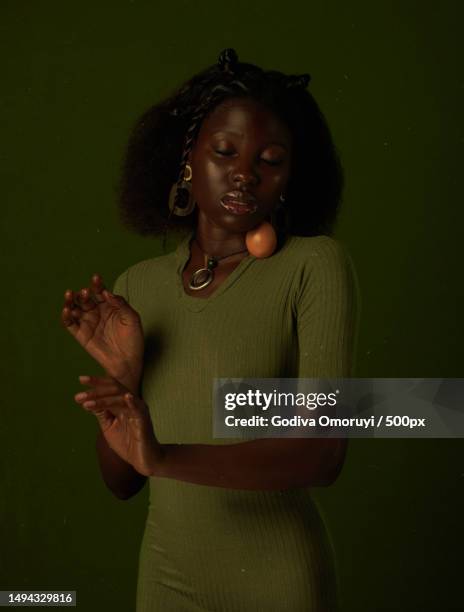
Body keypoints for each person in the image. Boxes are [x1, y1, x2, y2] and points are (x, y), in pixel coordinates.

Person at [61, 49, 360, 612]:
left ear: (290, 178)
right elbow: (123, 482)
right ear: (188, 160)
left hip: (277, 584)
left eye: (270, 160)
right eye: (225, 151)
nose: (245, 172)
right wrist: (124, 379)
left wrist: (167, 458)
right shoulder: (138, 288)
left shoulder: (313, 267)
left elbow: (323, 452)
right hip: (166, 581)